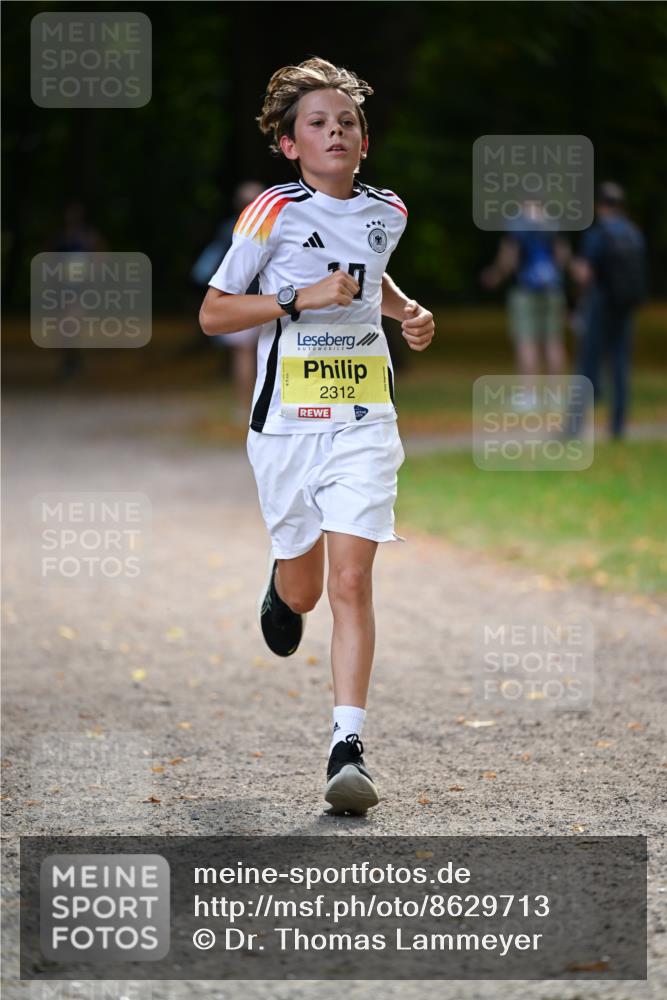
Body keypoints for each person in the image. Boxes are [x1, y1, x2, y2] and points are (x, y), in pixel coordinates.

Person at [199, 57, 434, 815]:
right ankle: (281, 582)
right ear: (289, 144)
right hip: (286, 430)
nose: (335, 132)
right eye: (318, 123)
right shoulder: (270, 211)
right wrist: (296, 299)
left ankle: (347, 748)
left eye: (347, 122)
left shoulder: (389, 211)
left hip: (363, 421)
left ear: (365, 141)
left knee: (352, 582)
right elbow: (214, 313)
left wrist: (408, 312)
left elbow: (370, 278)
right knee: (304, 592)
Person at [570, 182, 646, 439]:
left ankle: (574, 426)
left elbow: (585, 274)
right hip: (625, 305)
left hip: (600, 303)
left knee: (587, 363)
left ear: (598, 205)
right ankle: (617, 426)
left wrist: (574, 272)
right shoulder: (634, 233)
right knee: (620, 363)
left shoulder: (598, 233)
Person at [192, 181, 265, 418]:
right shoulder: (274, 226)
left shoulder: (229, 229)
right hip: (271, 300)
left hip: (239, 301)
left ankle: (244, 407)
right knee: (268, 353)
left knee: (243, 354)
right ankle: (263, 406)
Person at [481, 199, 570, 378]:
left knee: (526, 340)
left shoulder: (517, 224)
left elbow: (509, 258)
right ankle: (556, 390)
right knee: (553, 340)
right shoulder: (552, 223)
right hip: (552, 289)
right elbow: (563, 255)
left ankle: (529, 390)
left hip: (524, 290)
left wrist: (497, 275)